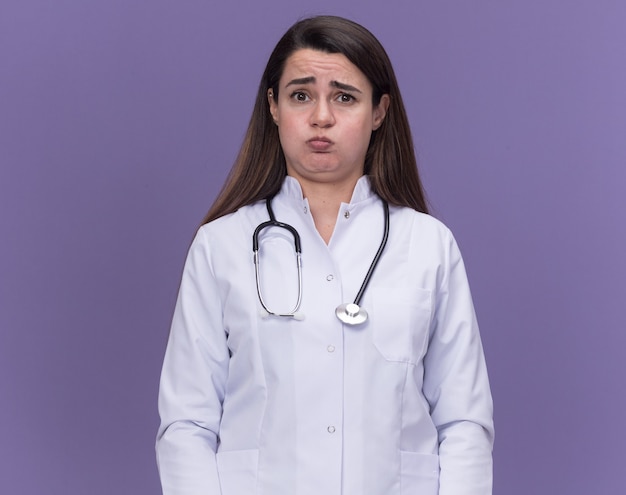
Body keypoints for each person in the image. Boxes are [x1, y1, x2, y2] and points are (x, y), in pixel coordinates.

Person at [156, 15, 494, 495]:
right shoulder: (221, 245)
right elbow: (187, 424)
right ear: (273, 106)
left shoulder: (429, 245)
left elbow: (464, 423)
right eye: (300, 95)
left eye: (344, 97)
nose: (321, 117)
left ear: (379, 112)